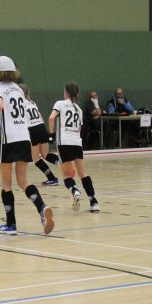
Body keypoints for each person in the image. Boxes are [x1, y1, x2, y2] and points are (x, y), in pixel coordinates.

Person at [0, 56, 54, 235]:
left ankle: (11, 225)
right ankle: (41, 207)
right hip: (24, 137)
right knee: (23, 181)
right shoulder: (19, 89)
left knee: (6, 184)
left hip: (8, 139)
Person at [48, 82, 100, 213]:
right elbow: (79, 129)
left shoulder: (59, 104)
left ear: (66, 92)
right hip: (77, 142)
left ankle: (75, 190)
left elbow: (51, 118)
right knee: (83, 174)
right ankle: (94, 202)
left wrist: (51, 135)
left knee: (66, 176)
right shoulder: (78, 109)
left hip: (64, 142)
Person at [19, 83, 59, 186]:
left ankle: (52, 179)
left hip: (32, 129)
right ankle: (63, 162)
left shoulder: (19, 104)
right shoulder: (31, 102)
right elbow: (40, 116)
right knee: (45, 154)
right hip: (41, 126)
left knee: (36, 159)